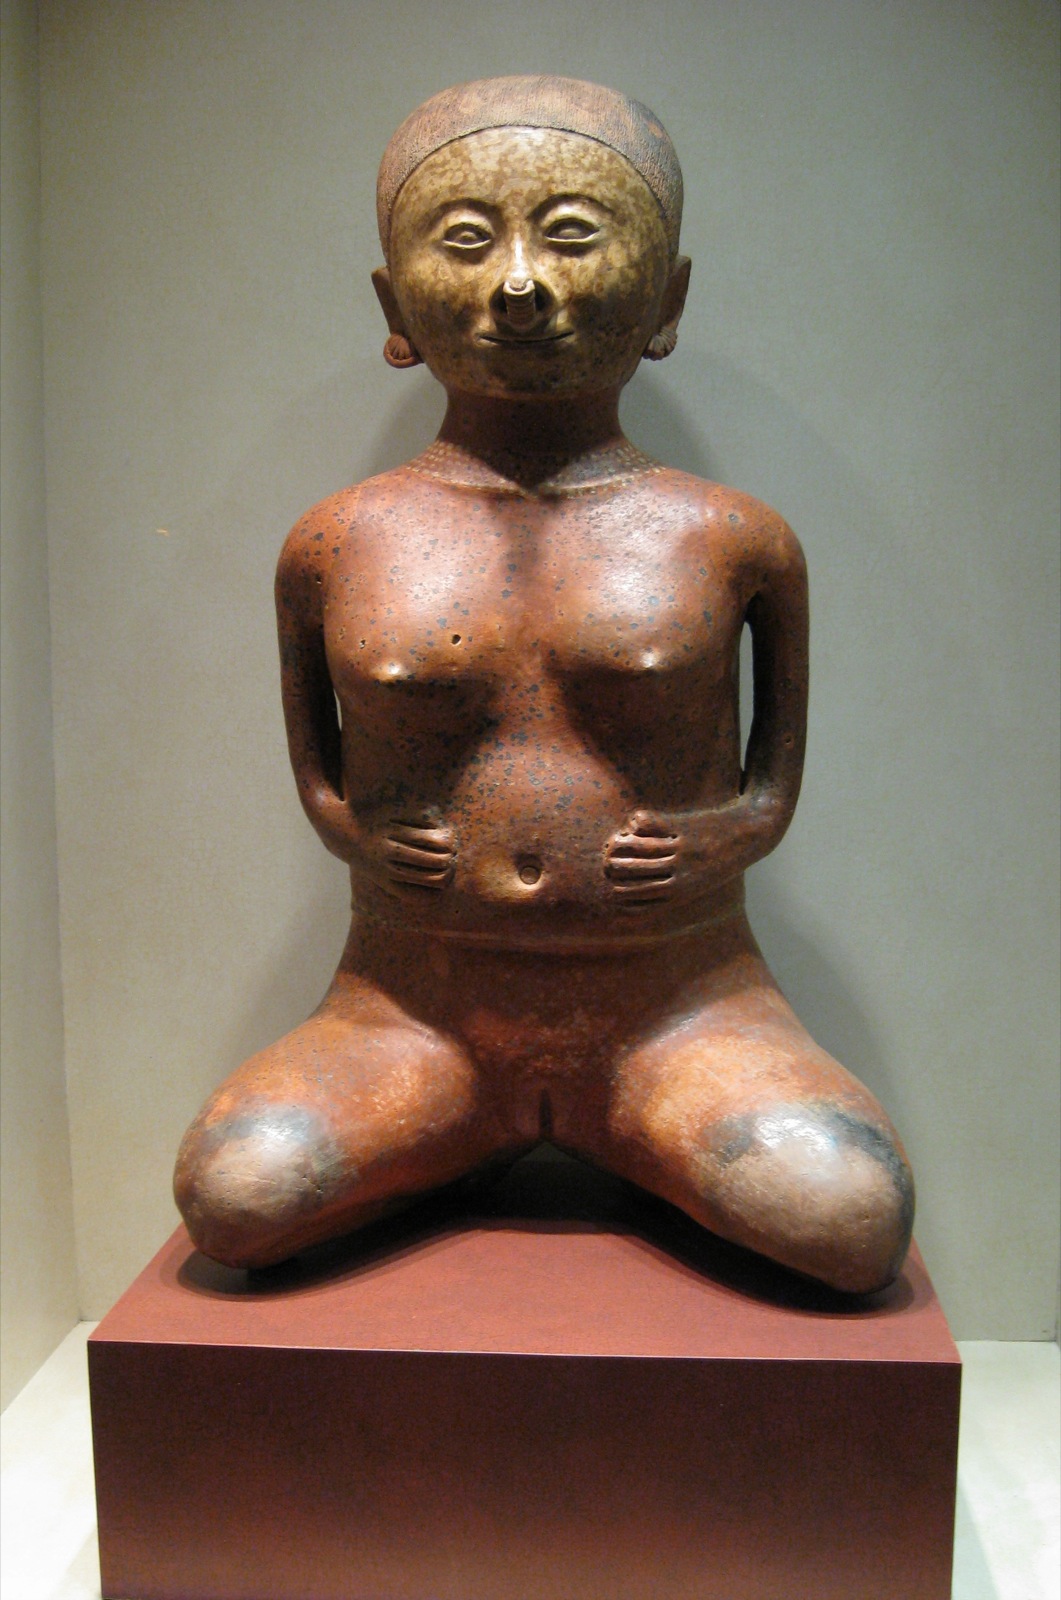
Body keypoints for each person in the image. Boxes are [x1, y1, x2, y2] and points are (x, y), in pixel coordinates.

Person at [175, 76, 914, 1293]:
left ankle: (595, 1126)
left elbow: (768, 789)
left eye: (571, 234)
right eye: (466, 240)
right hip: (409, 1013)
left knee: (846, 1216)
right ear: (393, 305)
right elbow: (318, 773)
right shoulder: (337, 542)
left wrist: (712, 841)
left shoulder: (731, 538)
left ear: (666, 298)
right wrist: (359, 832)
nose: (519, 283)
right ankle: (458, 1132)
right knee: (236, 1192)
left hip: (678, 1006)